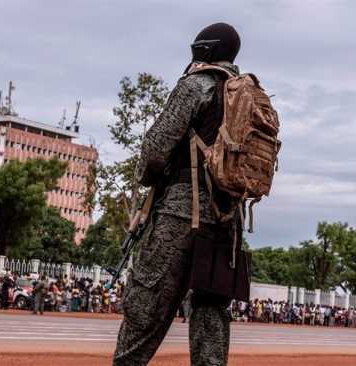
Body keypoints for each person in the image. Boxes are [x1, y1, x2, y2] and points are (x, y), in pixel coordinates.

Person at [113, 22, 250, 366]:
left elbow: (156, 150)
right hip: (227, 220)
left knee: (146, 302)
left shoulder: (196, 85)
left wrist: (147, 178)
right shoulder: (245, 97)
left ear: (205, 50)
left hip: (180, 212)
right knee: (210, 313)